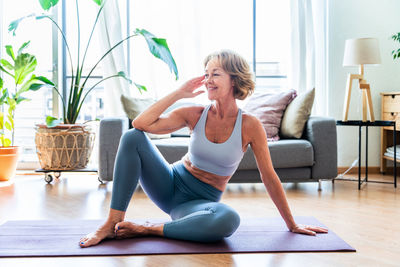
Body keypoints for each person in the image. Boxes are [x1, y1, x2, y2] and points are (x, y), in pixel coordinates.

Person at [79, 49, 328, 248]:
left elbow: (269, 176)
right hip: (169, 184)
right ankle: (113, 221)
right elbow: (141, 125)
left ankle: (146, 229)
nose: (208, 80)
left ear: (234, 79)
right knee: (133, 137)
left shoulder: (250, 126)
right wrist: (179, 93)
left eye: (215, 74)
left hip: (197, 205)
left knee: (229, 219)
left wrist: (292, 224)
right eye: (206, 74)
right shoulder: (195, 113)